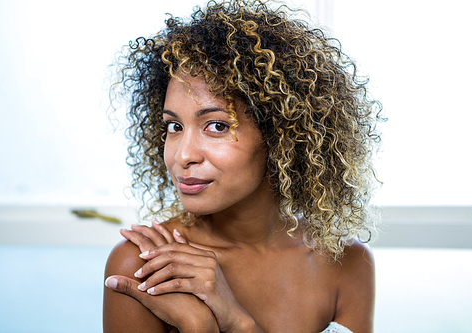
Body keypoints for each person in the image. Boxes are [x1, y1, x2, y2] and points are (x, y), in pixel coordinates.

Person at [103, 0, 382, 332]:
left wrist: (235, 324)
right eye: (174, 127)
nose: (182, 155)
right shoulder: (145, 265)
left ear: (281, 136)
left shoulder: (345, 264)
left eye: (217, 126)